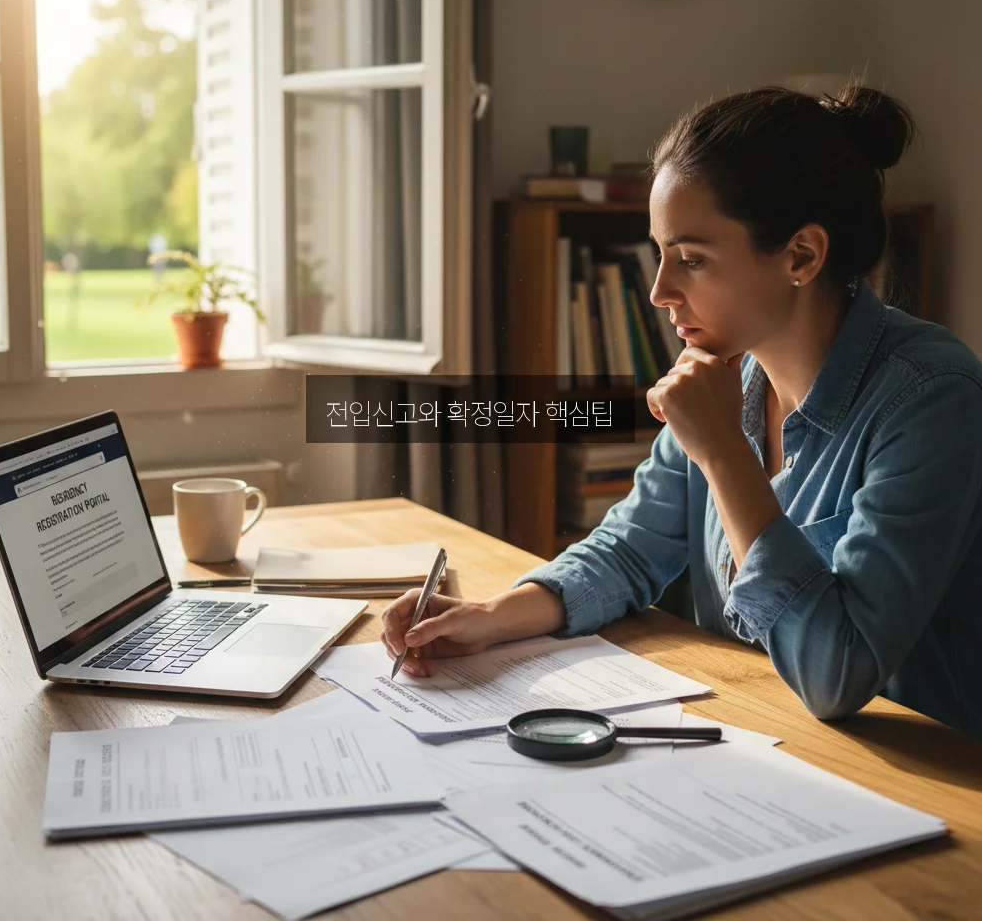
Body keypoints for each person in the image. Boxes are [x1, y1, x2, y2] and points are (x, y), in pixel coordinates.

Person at [381, 82, 982, 738]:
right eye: (660, 253)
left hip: (933, 782)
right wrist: (491, 616)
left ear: (802, 256)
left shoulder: (932, 398)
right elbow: (627, 553)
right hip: (759, 731)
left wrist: (725, 455)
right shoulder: (727, 374)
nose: (661, 291)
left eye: (691, 259)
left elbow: (837, 673)